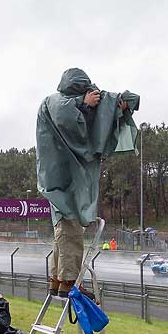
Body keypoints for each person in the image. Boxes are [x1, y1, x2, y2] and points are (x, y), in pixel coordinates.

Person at [36, 68, 139, 298]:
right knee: (69, 229)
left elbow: (91, 118)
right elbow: (67, 118)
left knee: (64, 229)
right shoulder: (54, 102)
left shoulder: (66, 103)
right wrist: (83, 103)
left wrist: (115, 108)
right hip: (60, 176)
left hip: (64, 176)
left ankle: (58, 279)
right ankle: (70, 282)